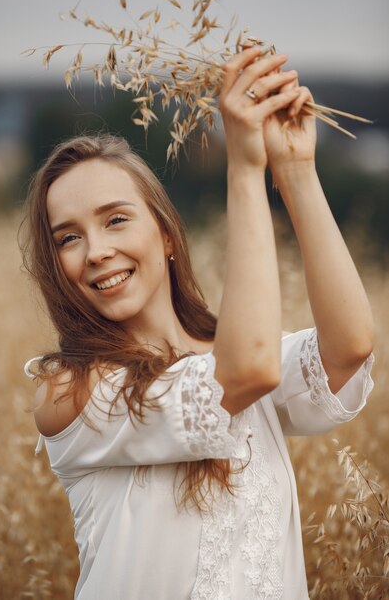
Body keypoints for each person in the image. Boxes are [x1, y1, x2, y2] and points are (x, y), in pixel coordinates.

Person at [22, 46, 375, 600]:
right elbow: (245, 372)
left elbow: (349, 346)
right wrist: (243, 165)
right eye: (68, 237)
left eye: (116, 219)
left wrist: (297, 170)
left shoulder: (228, 354)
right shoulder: (73, 391)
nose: (95, 251)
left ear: (166, 235)